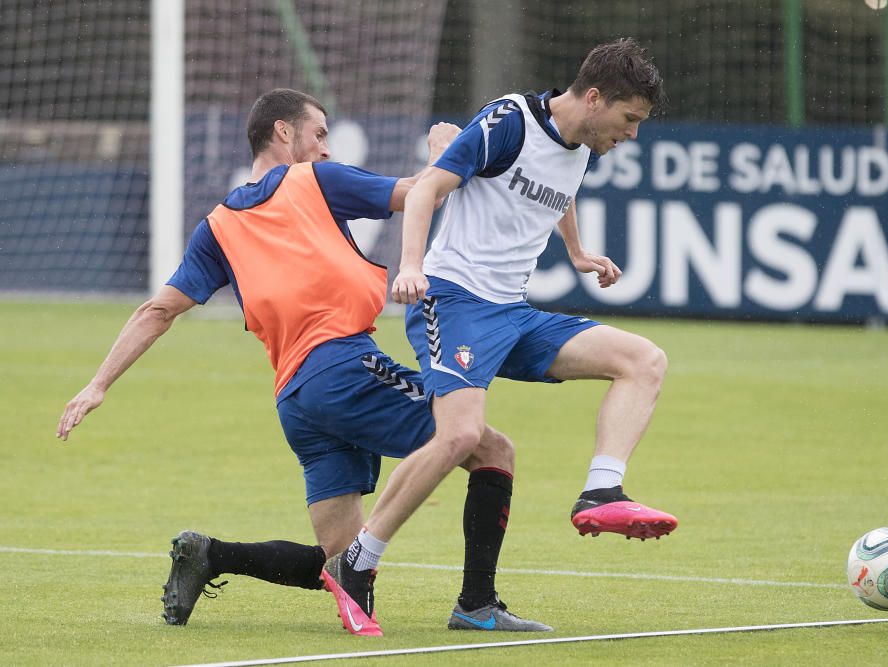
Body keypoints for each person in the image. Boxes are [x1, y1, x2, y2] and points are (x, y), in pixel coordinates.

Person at [56, 88, 550, 636]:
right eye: (319, 135)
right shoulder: (314, 179)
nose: (326, 149)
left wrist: (97, 385)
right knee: (490, 448)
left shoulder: (217, 225)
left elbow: (159, 310)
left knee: (339, 565)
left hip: (296, 398)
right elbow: (424, 193)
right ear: (283, 134)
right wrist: (446, 151)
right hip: (343, 369)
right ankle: (477, 604)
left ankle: (210, 555)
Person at [320, 38, 680, 633]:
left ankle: (595, 496)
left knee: (643, 359)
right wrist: (411, 266)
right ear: (593, 98)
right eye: (629, 119)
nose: (632, 134)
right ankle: (358, 562)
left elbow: (556, 190)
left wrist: (578, 250)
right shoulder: (509, 121)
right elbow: (431, 188)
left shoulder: (583, 144)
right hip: (453, 300)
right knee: (460, 434)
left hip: (511, 313)